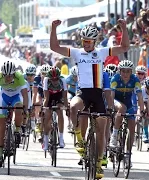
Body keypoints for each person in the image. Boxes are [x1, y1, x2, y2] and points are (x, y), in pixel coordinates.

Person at [49, 18, 129, 179]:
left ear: (94, 41)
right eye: (84, 41)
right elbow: (54, 47)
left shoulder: (101, 52)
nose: (86, 43)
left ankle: (99, 163)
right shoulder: (77, 52)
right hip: (83, 93)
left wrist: (124, 28)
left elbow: (125, 47)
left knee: (100, 131)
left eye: (89, 41)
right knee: (73, 107)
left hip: (98, 94)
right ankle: (78, 137)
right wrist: (53, 28)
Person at [0, 61, 29, 167]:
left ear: (14, 74)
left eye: (10, 76)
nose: (7, 78)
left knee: (19, 107)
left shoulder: (19, 77)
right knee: (1, 125)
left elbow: (25, 94)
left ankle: (17, 129)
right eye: (5, 76)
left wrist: (25, 108)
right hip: (4, 97)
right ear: (2, 74)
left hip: (16, 96)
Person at [109, 60, 145, 168]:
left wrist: (142, 110)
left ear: (131, 72)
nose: (125, 74)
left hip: (129, 103)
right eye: (123, 71)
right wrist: (110, 107)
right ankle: (114, 136)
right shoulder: (115, 79)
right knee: (122, 108)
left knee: (132, 127)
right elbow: (111, 95)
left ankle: (128, 155)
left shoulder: (135, 80)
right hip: (116, 101)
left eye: (128, 72)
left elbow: (139, 96)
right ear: (119, 71)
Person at [42, 67, 68, 150]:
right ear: (49, 79)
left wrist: (66, 108)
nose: (55, 81)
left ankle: (61, 138)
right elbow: (46, 97)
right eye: (52, 80)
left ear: (59, 77)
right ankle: (45, 140)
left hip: (59, 95)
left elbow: (65, 97)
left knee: (60, 112)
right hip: (49, 96)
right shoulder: (46, 80)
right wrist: (44, 109)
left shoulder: (63, 80)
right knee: (47, 116)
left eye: (56, 79)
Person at [33, 64, 51, 137]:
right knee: (38, 102)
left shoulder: (51, 78)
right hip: (40, 92)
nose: (44, 75)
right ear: (40, 73)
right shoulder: (37, 78)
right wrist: (33, 104)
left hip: (49, 93)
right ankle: (38, 121)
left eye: (46, 74)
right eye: (43, 73)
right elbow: (34, 93)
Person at [141, 76, 149, 144]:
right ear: (145, 87)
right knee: (145, 116)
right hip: (144, 104)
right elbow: (140, 102)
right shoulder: (142, 90)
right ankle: (145, 133)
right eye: (148, 88)